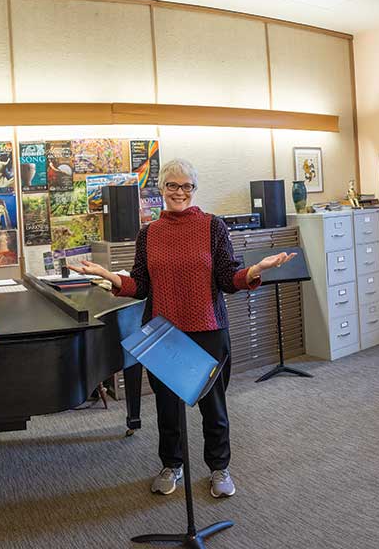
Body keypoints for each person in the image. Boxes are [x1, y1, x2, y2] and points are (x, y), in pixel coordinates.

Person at [69, 158, 294, 499]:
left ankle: (219, 468)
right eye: (172, 185)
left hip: (207, 329)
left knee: (213, 407)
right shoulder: (149, 233)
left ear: (194, 189)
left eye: (186, 185)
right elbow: (141, 285)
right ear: (161, 190)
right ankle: (171, 465)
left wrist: (253, 271)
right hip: (163, 334)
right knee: (167, 407)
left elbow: (226, 278)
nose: (179, 192)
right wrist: (109, 276)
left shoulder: (212, 227)